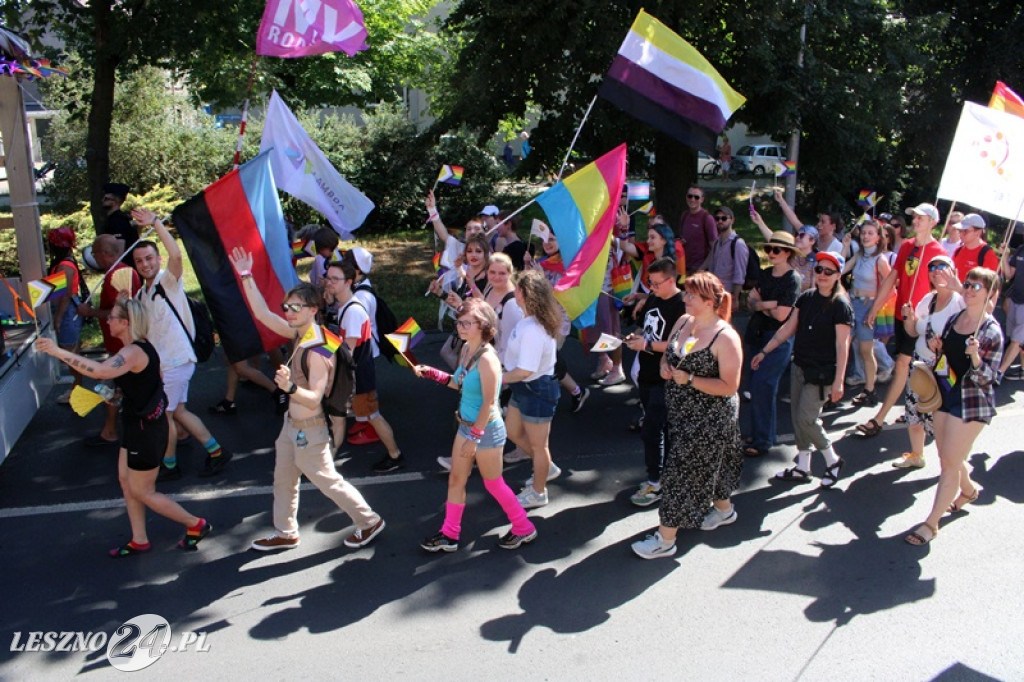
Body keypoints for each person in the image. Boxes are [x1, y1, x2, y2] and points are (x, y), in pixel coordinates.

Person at [229, 248, 386, 552]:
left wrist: (288, 388)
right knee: (283, 480)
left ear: (313, 309)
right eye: (286, 306)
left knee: (329, 481)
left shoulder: (319, 349)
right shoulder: (298, 332)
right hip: (292, 426)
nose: (288, 311)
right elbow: (262, 314)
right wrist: (246, 276)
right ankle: (286, 532)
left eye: (295, 307)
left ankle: (369, 521)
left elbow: (314, 397)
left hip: (310, 429)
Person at [35, 299, 212, 557]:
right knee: (126, 483)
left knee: (143, 490)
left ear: (125, 323)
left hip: (146, 431)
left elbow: (99, 371)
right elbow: (151, 385)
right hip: (136, 426)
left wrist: (57, 351)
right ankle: (139, 539)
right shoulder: (134, 349)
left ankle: (196, 524)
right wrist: (118, 399)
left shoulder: (133, 352)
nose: (107, 320)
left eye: (113, 317)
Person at [631, 273, 743, 559]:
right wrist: (665, 368)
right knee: (709, 466)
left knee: (679, 474)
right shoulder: (683, 321)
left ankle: (665, 540)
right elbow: (669, 354)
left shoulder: (726, 338)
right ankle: (724, 510)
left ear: (708, 302)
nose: (685, 297)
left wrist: (690, 379)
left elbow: (730, 386)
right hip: (680, 411)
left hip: (710, 418)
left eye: (692, 295)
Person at [413, 299, 538, 551]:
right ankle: (449, 534)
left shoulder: (488, 360)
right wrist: (432, 373)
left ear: (483, 325)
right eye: (459, 322)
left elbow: (490, 403)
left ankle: (524, 528)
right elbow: (458, 382)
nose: (460, 327)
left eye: (467, 323)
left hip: (486, 431)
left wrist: (474, 437)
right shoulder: (467, 350)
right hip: (466, 426)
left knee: (493, 483)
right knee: (456, 480)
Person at [905, 267, 1003, 545]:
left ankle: (931, 524)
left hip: (971, 403)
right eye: (969, 284)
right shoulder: (956, 318)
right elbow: (945, 356)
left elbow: (989, 378)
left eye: (977, 287)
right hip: (945, 392)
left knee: (949, 463)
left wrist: (975, 357)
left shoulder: (991, 331)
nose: (970, 290)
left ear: (989, 295)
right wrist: (938, 347)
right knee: (945, 454)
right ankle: (969, 490)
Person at [131, 208, 231, 480]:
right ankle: (217, 452)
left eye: (149, 258)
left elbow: (176, 256)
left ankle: (171, 465)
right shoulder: (142, 293)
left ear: (157, 259)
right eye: (139, 261)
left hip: (176, 361)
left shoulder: (167, 282)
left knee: (166, 416)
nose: (145, 264)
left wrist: (155, 223)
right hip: (167, 364)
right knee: (179, 412)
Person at [754, 252, 853, 487]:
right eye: (819, 270)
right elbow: (788, 327)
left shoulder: (840, 306)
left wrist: (839, 381)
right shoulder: (807, 297)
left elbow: (843, 345)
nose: (822, 275)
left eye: (829, 271)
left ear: (838, 275)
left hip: (822, 373)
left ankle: (832, 460)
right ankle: (803, 467)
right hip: (800, 366)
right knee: (798, 420)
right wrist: (764, 351)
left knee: (807, 419)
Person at [857, 203, 946, 437]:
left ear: (933, 223)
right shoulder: (906, 246)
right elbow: (892, 279)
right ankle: (918, 410)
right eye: (914, 217)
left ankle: (879, 418)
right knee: (912, 368)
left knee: (904, 366)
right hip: (900, 315)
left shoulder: (938, 252)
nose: (915, 221)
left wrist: (927, 317)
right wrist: (875, 308)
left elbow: (944, 291)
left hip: (921, 321)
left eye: (921, 218)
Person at [323, 260, 405, 473]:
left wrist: (325, 362)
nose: (329, 282)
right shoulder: (345, 306)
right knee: (348, 419)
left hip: (359, 376)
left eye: (334, 279)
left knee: (373, 417)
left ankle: (395, 455)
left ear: (349, 281)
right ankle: (324, 464)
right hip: (359, 374)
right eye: (327, 277)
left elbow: (346, 352)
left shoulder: (352, 311)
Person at [623, 257, 686, 507]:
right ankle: (664, 475)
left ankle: (656, 480)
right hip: (648, 373)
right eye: (650, 282)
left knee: (652, 429)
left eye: (657, 283)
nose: (652, 287)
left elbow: (677, 344)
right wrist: (634, 337)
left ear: (671, 280)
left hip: (667, 376)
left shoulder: (682, 306)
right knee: (659, 428)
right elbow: (644, 329)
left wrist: (646, 344)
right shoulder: (653, 298)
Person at [895, 255, 964, 469]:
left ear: (953, 271)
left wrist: (959, 287)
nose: (937, 271)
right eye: (932, 267)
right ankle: (917, 454)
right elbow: (913, 331)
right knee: (914, 413)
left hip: (943, 369)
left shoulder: (960, 301)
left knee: (940, 421)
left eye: (943, 266)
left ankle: (952, 465)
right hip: (921, 364)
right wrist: (909, 318)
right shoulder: (928, 299)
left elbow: (983, 313)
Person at [502, 270, 561, 509]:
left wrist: (497, 379)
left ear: (524, 294)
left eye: (517, 288)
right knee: (512, 432)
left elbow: (525, 370)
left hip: (536, 389)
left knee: (539, 446)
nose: (513, 291)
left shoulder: (533, 331)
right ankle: (546, 466)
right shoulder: (528, 320)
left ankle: (538, 492)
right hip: (524, 388)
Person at [76, 234, 142, 446]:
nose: (94, 258)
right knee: (119, 387)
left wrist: (90, 311)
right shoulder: (126, 271)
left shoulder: (117, 275)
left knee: (109, 386)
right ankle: (111, 429)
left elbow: (119, 313)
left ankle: (110, 431)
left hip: (121, 345)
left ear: (105, 254)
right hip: (126, 343)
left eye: (95, 253)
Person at [743, 231, 802, 457]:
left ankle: (763, 440)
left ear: (787, 253)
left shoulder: (792, 279)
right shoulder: (766, 274)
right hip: (757, 335)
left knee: (763, 386)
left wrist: (761, 304)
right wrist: (769, 304)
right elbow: (750, 302)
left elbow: (781, 316)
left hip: (777, 340)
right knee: (757, 387)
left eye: (776, 250)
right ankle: (761, 434)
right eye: (769, 249)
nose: (771, 253)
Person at [843, 220, 895, 405]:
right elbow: (840, 268)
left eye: (870, 233)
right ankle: (836, 388)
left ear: (878, 237)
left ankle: (870, 390)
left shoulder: (880, 260)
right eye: (863, 233)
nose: (865, 236)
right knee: (843, 344)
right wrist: (845, 246)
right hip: (852, 303)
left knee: (866, 350)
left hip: (867, 307)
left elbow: (891, 287)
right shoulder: (859, 254)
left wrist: (874, 309)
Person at [46, 226, 86, 404]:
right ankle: (76, 391)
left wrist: (58, 318)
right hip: (69, 309)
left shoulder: (64, 265)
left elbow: (66, 293)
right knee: (72, 354)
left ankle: (77, 393)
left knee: (71, 355)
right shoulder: (67, 262)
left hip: (67, 311)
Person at [701, 205, 749, 311]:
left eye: (724, 218)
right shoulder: (717, 243)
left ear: (732, 220)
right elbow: (712, 268)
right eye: (717, 218)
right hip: (715, 294)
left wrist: (735, 298)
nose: (720, 221)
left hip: (729, 295)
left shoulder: (738, 244)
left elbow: (739, 274)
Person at [997, 240, 1024, 380]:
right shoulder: (1021, 249)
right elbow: (1008, 275)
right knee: (1014, 338)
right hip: (1016, 299)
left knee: (1016, 340)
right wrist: (1004, 257)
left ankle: (999, 372)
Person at [677, 185, 715, 275]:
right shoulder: (684, 215)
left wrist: (701, 269)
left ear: (702, 199)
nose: (692, 199)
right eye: (689, 196)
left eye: (696, 197)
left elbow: (715, 248)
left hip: (700, 270)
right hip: (684, 268)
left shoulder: (707, 218)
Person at [951, 213, 999, 283]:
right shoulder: (958, 250)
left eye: (965, 231)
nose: (961, 234)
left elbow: (989, 284)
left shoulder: (987, 254)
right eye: (960, 230)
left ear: (978, 232)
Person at [98, 182, 139, 251]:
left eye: (106, 199)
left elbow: (119, 250)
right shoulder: (115, 219)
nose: (102, 201)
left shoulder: (118, 220)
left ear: (116, 201)